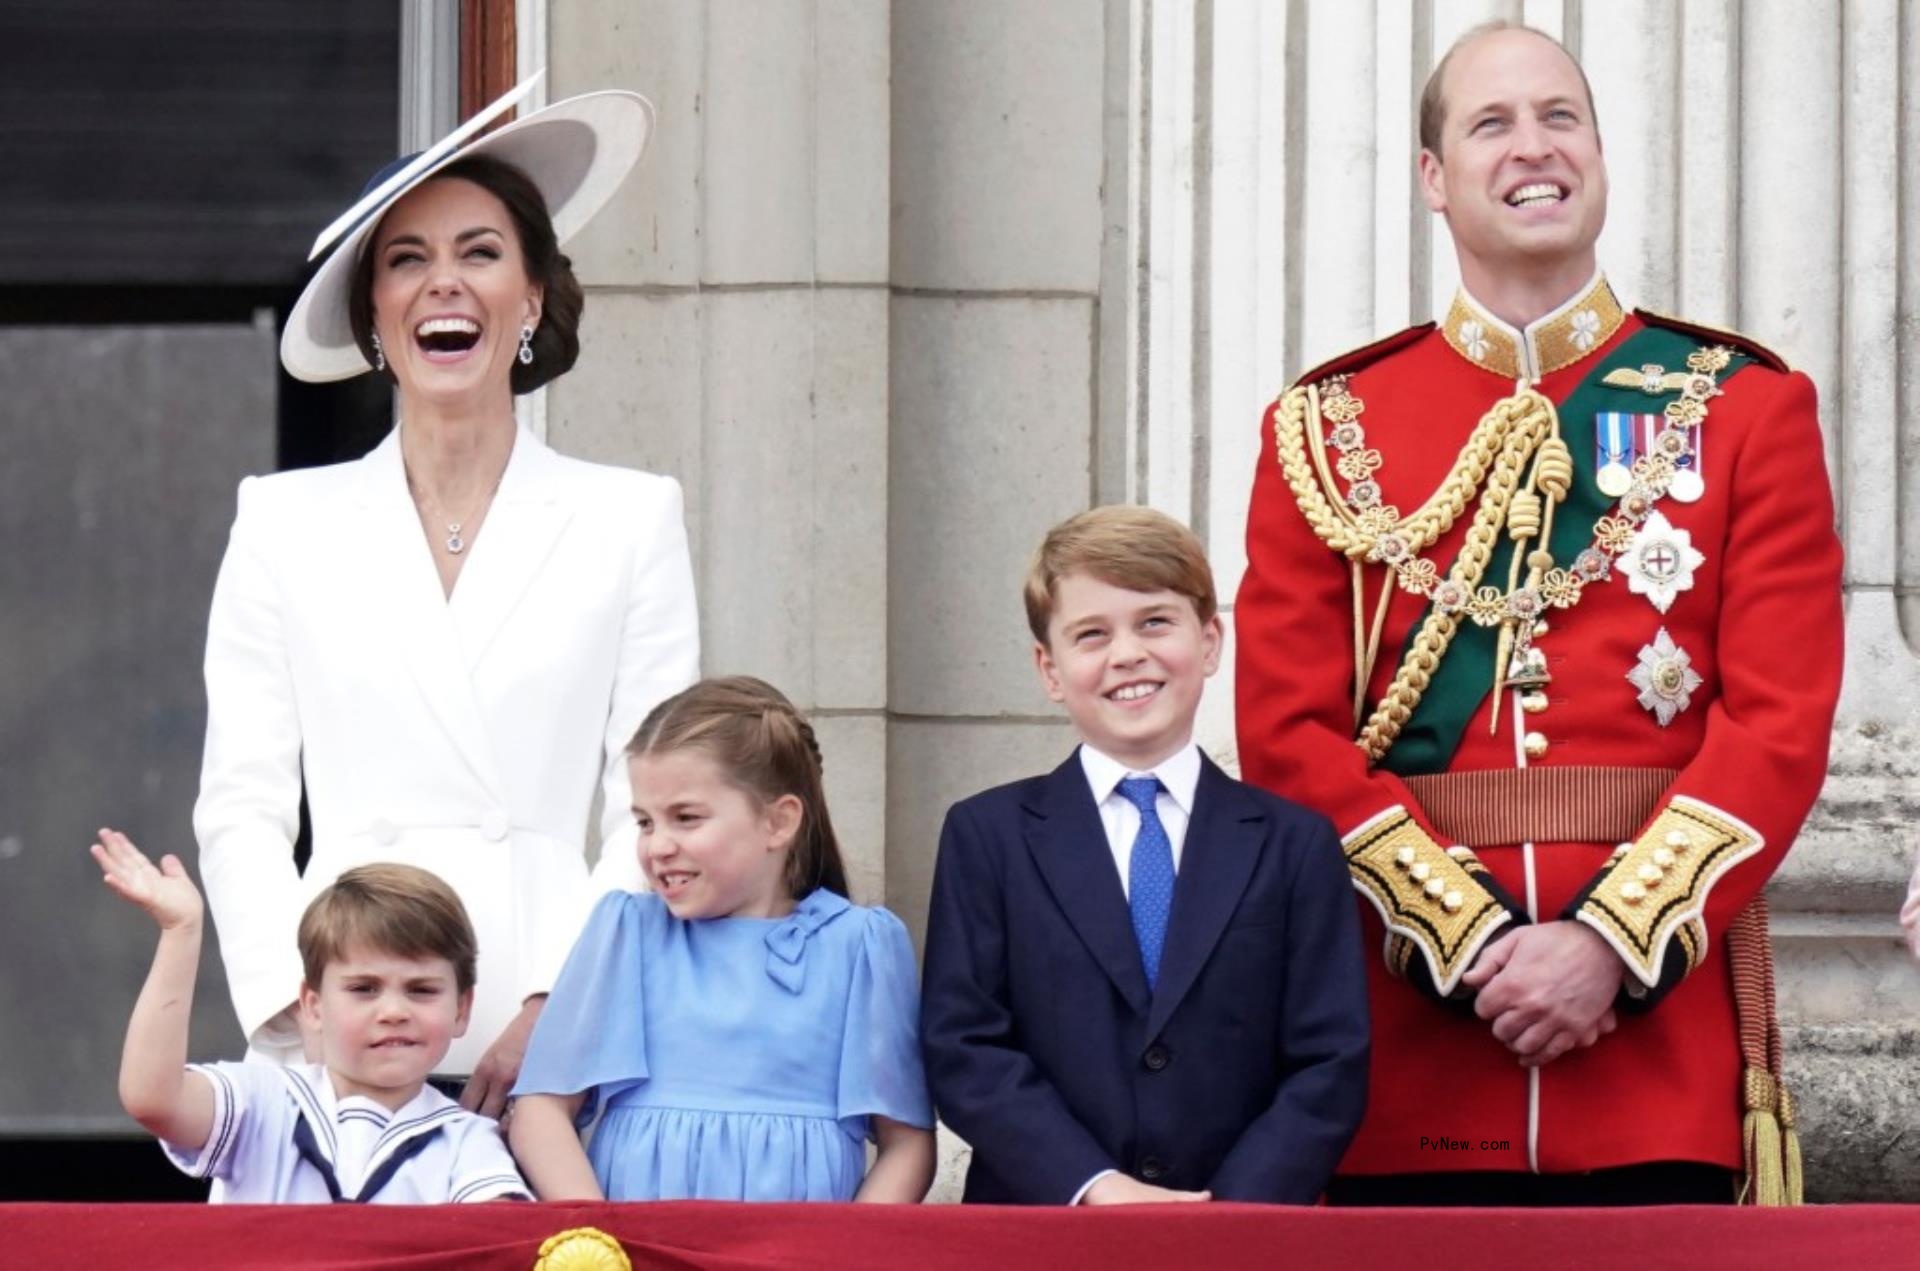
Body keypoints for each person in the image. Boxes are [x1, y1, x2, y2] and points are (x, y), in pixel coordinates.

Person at [1234, 21, 1843, 1206]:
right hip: (1408, 1063)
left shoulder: (1745, 408)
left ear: (1602, 156)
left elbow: (1777, 725)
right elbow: (1287, 735)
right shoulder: (1325, 427)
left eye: (1561, 116)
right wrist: (1473, 946)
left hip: (1652, 1059)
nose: (1535, 147)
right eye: (1492, 123)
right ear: (1433, 177)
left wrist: (1608, 946)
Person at [193, 75, 699, 1118]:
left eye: (479, 253)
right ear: (373, 314)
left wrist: (564, 1002)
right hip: (337, 1019)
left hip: (554, 1028)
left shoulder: (630, 516)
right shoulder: (283, 520)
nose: (444, 285)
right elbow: (240, 805)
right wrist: (300, 1013)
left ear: (532, 298)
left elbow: (650, 807)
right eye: (407, 260)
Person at [920, 505, 1370, 1205]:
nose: (1127, 653)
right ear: (1050, 668)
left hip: (1236, 1239)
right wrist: (1095, 1186)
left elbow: (1329, 1059)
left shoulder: (1294, 843)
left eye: (1154, 621)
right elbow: (965, 1046)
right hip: (1043, 1231)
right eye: (1091, 634)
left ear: (1211, 640)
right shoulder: (989, 836)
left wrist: (1229, 1212)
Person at [507, 676, 936, 1202]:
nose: (658, 845)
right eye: (644, 822)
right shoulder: (627, 934)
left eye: (686, 818)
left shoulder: (860, 947)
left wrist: (841, 1254)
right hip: (640, 1252)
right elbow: (541, 1108)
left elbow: (907, 1143)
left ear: (778, 822)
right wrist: (598, 1235)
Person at [91, 830, 528, 1204]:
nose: (394, 1011)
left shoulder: (468, 1142)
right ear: (313, 1005)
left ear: (462, 1009)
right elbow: (153, 1099)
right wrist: (180, 932)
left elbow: (494, 1243)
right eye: (364, 989)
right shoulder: (262, 1102)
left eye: (421, 990)